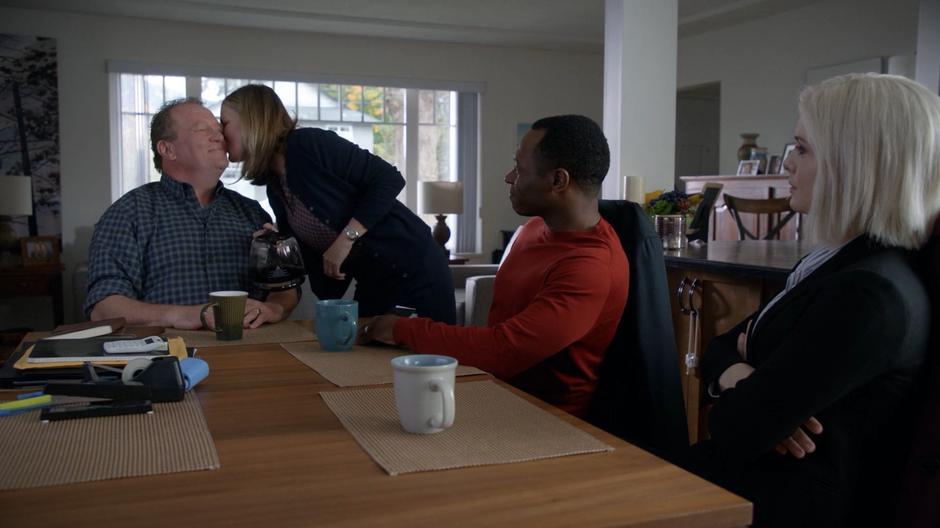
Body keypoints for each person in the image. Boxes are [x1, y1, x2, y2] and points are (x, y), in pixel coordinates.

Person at [686, 74, 940, 527]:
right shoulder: (839, 262)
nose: (786, 164)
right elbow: (720, 346)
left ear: (853, 163)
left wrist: (750, 395)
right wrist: (746, 377)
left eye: (802, 149)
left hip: (779, 503)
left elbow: (735, 428)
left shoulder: (870, 294)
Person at [361, 115, 628, 417]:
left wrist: (399, 328)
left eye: (519, 168)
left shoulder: (591, 267)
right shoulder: (531, 230)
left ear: (558, 180)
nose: (509, 177)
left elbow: (503, 350)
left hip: (542, 420)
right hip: (493, 392)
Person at [220, 85, 455, 323]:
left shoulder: (309, 143)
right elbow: (308, 254)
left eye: (224, 122)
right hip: (375, 281)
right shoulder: (275, 187)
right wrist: (278, 243)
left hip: (416, 267)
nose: (220, 132)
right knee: (368, 355)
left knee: (431, 353)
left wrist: (346, 239)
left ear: (252, 120)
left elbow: (389, 178)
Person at [85, 98, 298, 329]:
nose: (219, 136)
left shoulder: (253, 213)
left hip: (250, 351)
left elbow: (285, 286)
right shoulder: (127, 214)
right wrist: (191, 316)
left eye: (219, 129)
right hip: (167, 356)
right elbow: (103, 307)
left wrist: (274, 308)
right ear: (168, 149)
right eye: (201, 129)